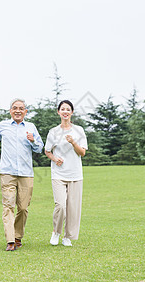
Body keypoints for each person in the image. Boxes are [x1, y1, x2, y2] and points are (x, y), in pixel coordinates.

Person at [0, 99, 44, 251]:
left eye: (21, 108)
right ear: (10, 111)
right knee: (8, 206)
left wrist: (33, 141)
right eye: (15, 108)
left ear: (26, 111)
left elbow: (40, 148)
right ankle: (10, 241)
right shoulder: (2, 126)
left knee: (23, 208)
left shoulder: (31, 127)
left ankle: (18, 236)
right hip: (7, 172)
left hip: (26, 173)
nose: (18, 111)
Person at [44, 100, 87, 247]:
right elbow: (47, 151)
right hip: (58, 174)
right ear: (58, 112)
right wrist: (55, 159)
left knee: (73, 207)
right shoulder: (53, 132)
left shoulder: (79, 130)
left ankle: (67, 236)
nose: (65, 112)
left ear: (72, 112)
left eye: (68, 109)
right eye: (62, 109)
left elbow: (82, 153)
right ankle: (56, 232)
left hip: (75, 174)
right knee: (61, 205)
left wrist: (73, 142)